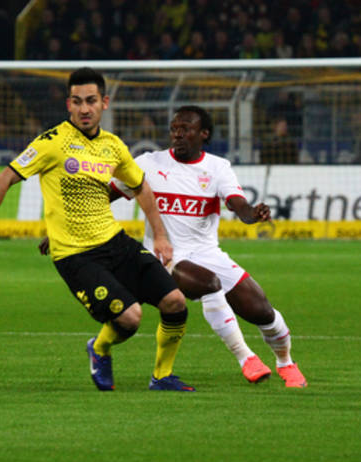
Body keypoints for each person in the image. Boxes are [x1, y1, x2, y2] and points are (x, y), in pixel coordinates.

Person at [0, 67, 194, 392]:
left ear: (104, 103)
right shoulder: (52, 142)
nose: (84, 108)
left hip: (115, 242)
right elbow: (5, 178)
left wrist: (160, 235)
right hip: (76, 256)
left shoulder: (113, 146)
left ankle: (162, 376)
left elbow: (140, 187)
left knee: (175, 301)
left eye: (91, 101)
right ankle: (99, 348)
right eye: (77, 101)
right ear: (68, 104)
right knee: (130, 318)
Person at [110, 106, 307, 388]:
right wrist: (66, 226)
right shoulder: (148, 163)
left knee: (262, 311)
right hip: (165, 255)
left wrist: (253, 214)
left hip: (207, 253)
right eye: (174, 129)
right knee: (209, 284)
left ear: (204, 134)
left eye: (186, 129)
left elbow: (238, 205)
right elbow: (104, 195)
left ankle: (286, 363)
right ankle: (246, 358)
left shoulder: (217, 167)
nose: (178, 134)